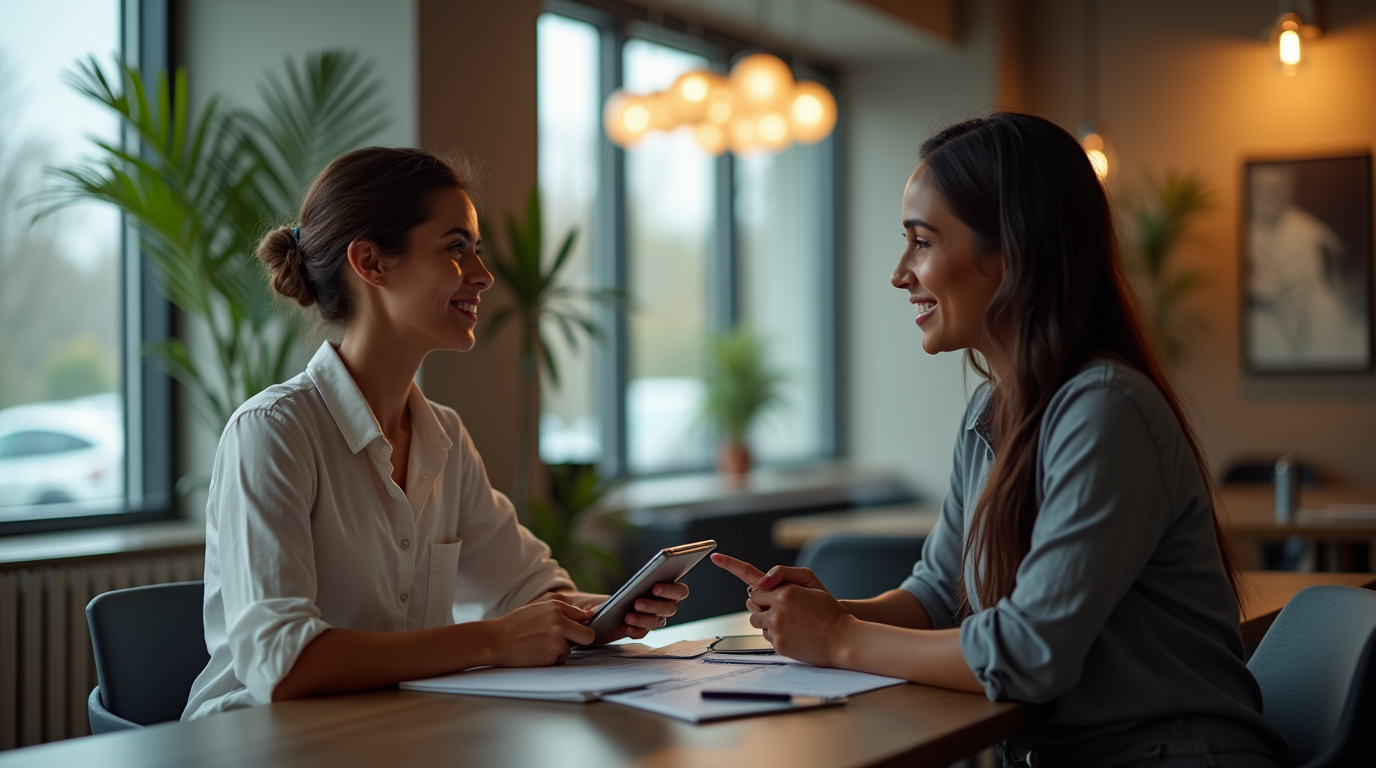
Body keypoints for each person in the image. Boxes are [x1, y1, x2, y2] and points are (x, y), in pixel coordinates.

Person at [712, 114, 1286, 768]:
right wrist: (825, 614)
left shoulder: (1105, 409)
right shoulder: (993, 412)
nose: (900, 274)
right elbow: (935, 594)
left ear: (1011, 255)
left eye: (922, 242)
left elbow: (1027, 654)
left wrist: (842, 638)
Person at [184, 147, 687, 719]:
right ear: (370, 263)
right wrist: (494, 640)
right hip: (258, 743)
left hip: (393, 733)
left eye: (476, 250)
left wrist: (598, 614)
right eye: (455, 248)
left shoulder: (441, 435)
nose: (483, 275)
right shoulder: (273, 432)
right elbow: (284, 664)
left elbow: (526, 587)